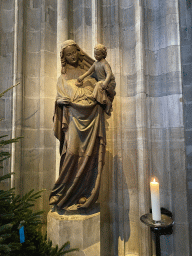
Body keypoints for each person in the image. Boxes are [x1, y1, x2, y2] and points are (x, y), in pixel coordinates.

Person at [49, 40, 115, 211]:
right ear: (63, 57)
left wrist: (101, 89)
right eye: (68, 54)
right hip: (73, 120)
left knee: (89, 157)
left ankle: (84, 193)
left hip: (91, 119)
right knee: (71, 153)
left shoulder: (89, 73)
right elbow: (60, 98)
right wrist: (59, 102)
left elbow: (104, 89)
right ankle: (62, 192)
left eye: (73, 53)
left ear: (78, 53)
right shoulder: (62, 78)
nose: (71, 57)